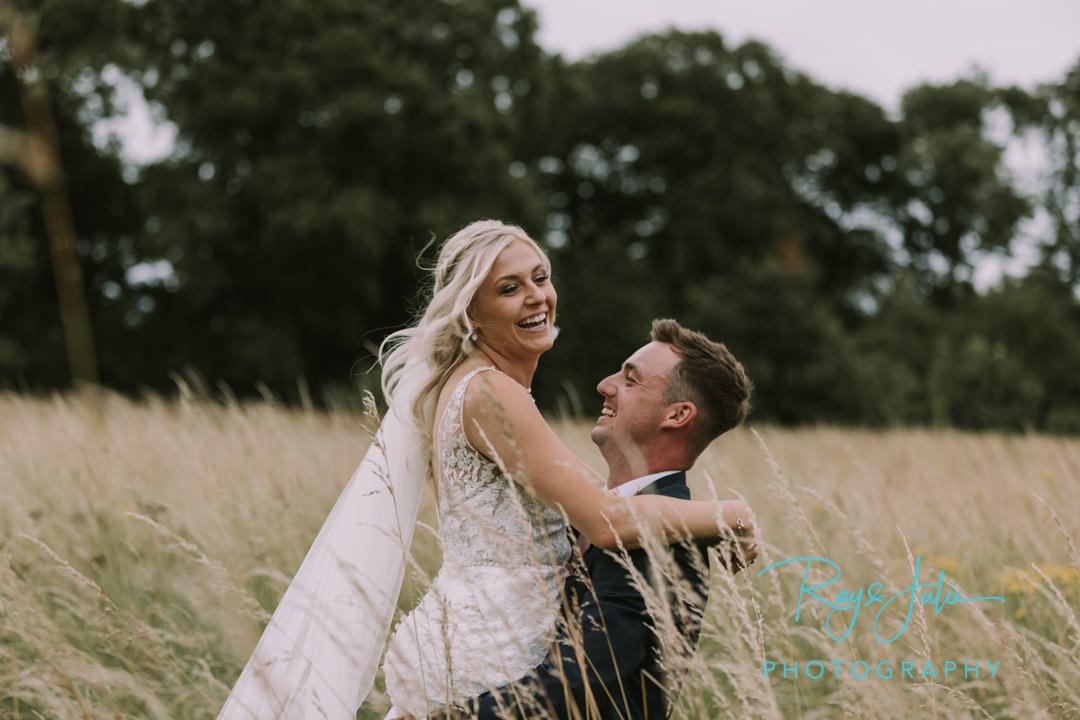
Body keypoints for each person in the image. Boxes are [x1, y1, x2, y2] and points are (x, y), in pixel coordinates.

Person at [217, 221, 755, 720]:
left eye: (540, 278)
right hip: (491, 644)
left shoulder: (474, 387)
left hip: (465, 631)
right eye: (509, 288)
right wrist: (730, 513)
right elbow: (605, 518)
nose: (536, 297)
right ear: (470, 313)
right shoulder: (490, 392)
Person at [454, 319, 758, 719]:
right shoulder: (596, 508)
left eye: (630, 381)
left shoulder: (667, 541)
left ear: (677, 414)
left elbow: (579, 684)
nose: (605, 384)